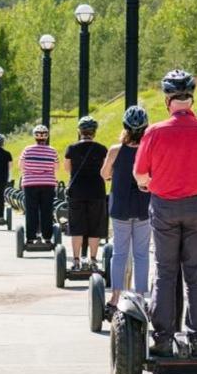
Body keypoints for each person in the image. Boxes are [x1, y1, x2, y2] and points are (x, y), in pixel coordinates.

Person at [134, 70, 197, 358]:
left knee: (165, 271)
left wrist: (150, 183)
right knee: (196, 272)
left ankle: (162, 337)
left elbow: (140, 174)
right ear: (191, 98)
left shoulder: (154, 132)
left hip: (165, 207)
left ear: (167, 99)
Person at [100, 106, 151, 316]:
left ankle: (114, 298)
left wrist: (114, 173)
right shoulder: (149, 150)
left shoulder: (115, 150)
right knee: (141, 255)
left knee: (120, 254)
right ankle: (140, 297)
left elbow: (104, 174)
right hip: (143, 207)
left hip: (120, 207)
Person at [63, 116, 108, 270]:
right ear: (94, 132)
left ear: (79, 131)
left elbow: (67, 169)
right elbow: (105, 172)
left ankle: (76, 260)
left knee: (76, 226)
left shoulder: (71, 148)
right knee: (95, 226)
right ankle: (93, 260)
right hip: (96, 191)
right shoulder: (102, 149)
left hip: (77, 192)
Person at [18, 124, 59, 243]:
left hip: (30, 184)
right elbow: (56, 168)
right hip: (48, 184)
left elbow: (21, 166)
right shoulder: (52, 151)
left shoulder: (27, 150)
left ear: (34, 136)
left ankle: (31, 237)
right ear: (46, 137)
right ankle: (47, 237)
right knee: (47, 210)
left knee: (31, 210)